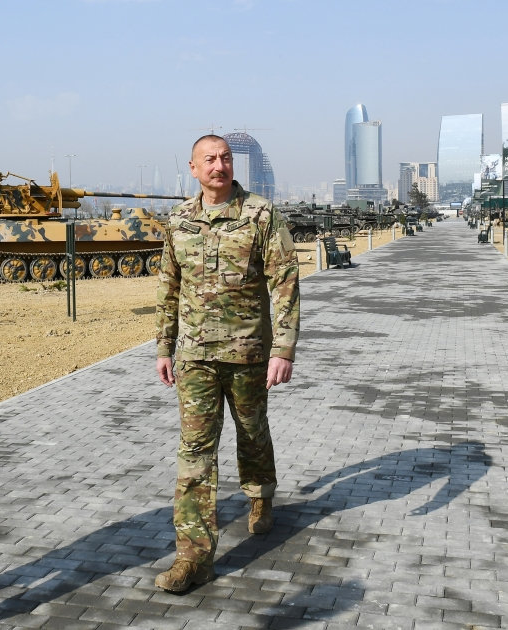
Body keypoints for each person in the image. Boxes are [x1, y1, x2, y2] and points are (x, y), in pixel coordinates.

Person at [153, 135, 300, 593]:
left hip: (248, 354)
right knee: (195, 451)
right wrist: (164, 346)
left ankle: (260, 495)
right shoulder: (178, 220)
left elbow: (285, 281)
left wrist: (283, 349)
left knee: (252, 431)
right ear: (193, 168)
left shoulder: (261, 214)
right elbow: (168, 286)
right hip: (195, 357)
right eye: (210, 159)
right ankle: (193, 558)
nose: (219, 166)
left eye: (226, 158)